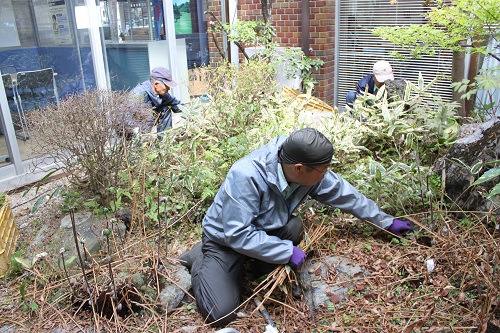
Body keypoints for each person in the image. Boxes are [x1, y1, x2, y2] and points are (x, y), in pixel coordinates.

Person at [179, 127, 414, 326]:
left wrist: (385, 221)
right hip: (226, 240)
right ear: (300, 168)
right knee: (220, 312)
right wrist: (285, 251)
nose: (325, 176)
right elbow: (236, 234)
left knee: (293, 228)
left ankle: (253, 263)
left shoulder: (301, 166)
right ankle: (201, 256)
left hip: (264, 229)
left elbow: (343, 193)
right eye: (323, 171)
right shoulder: (246, 176)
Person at [131, 67, 182, 133]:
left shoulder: (163, 95)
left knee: (165, 109)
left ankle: (164, 140)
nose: (169, 89)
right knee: (147, 115)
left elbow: (177, 105)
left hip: (148, 125)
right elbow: (125, 119)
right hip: (135, 130)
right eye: (166, 86)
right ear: (156, 84)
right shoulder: (138, 95)